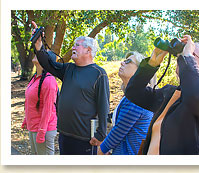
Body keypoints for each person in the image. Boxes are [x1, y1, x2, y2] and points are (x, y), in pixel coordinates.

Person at [125, 35, 199, 155]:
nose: (182, 57)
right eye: (182, 54)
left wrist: (187, 55)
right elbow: (134, 92)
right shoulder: (169, 94)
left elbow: (194, 95)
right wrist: (151, 64)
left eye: (191, 54)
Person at [31, 21, 110, 155]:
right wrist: (39, 46)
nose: (73, 47)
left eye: (77, 45)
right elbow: (48, 64)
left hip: (85, 139)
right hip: (64, 135)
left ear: (88, 50)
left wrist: (101, 133)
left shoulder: (99, 73)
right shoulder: (68, 68)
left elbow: (103, 105)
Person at [98, 52, 155, 155]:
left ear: (140, 70)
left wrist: (100, 152)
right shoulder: (134, 95)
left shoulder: (138, 98)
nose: (122, 63)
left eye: (128, 61)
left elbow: (117, 133)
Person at [21, 52, 58, 155]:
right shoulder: (35, 78)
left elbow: (48, 109)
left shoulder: (49, 81)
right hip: (33, 127)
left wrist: (41, 132)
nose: (37, 53)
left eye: (42, 54)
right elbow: (30, 101)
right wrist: (26, 120)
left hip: (44, 129)